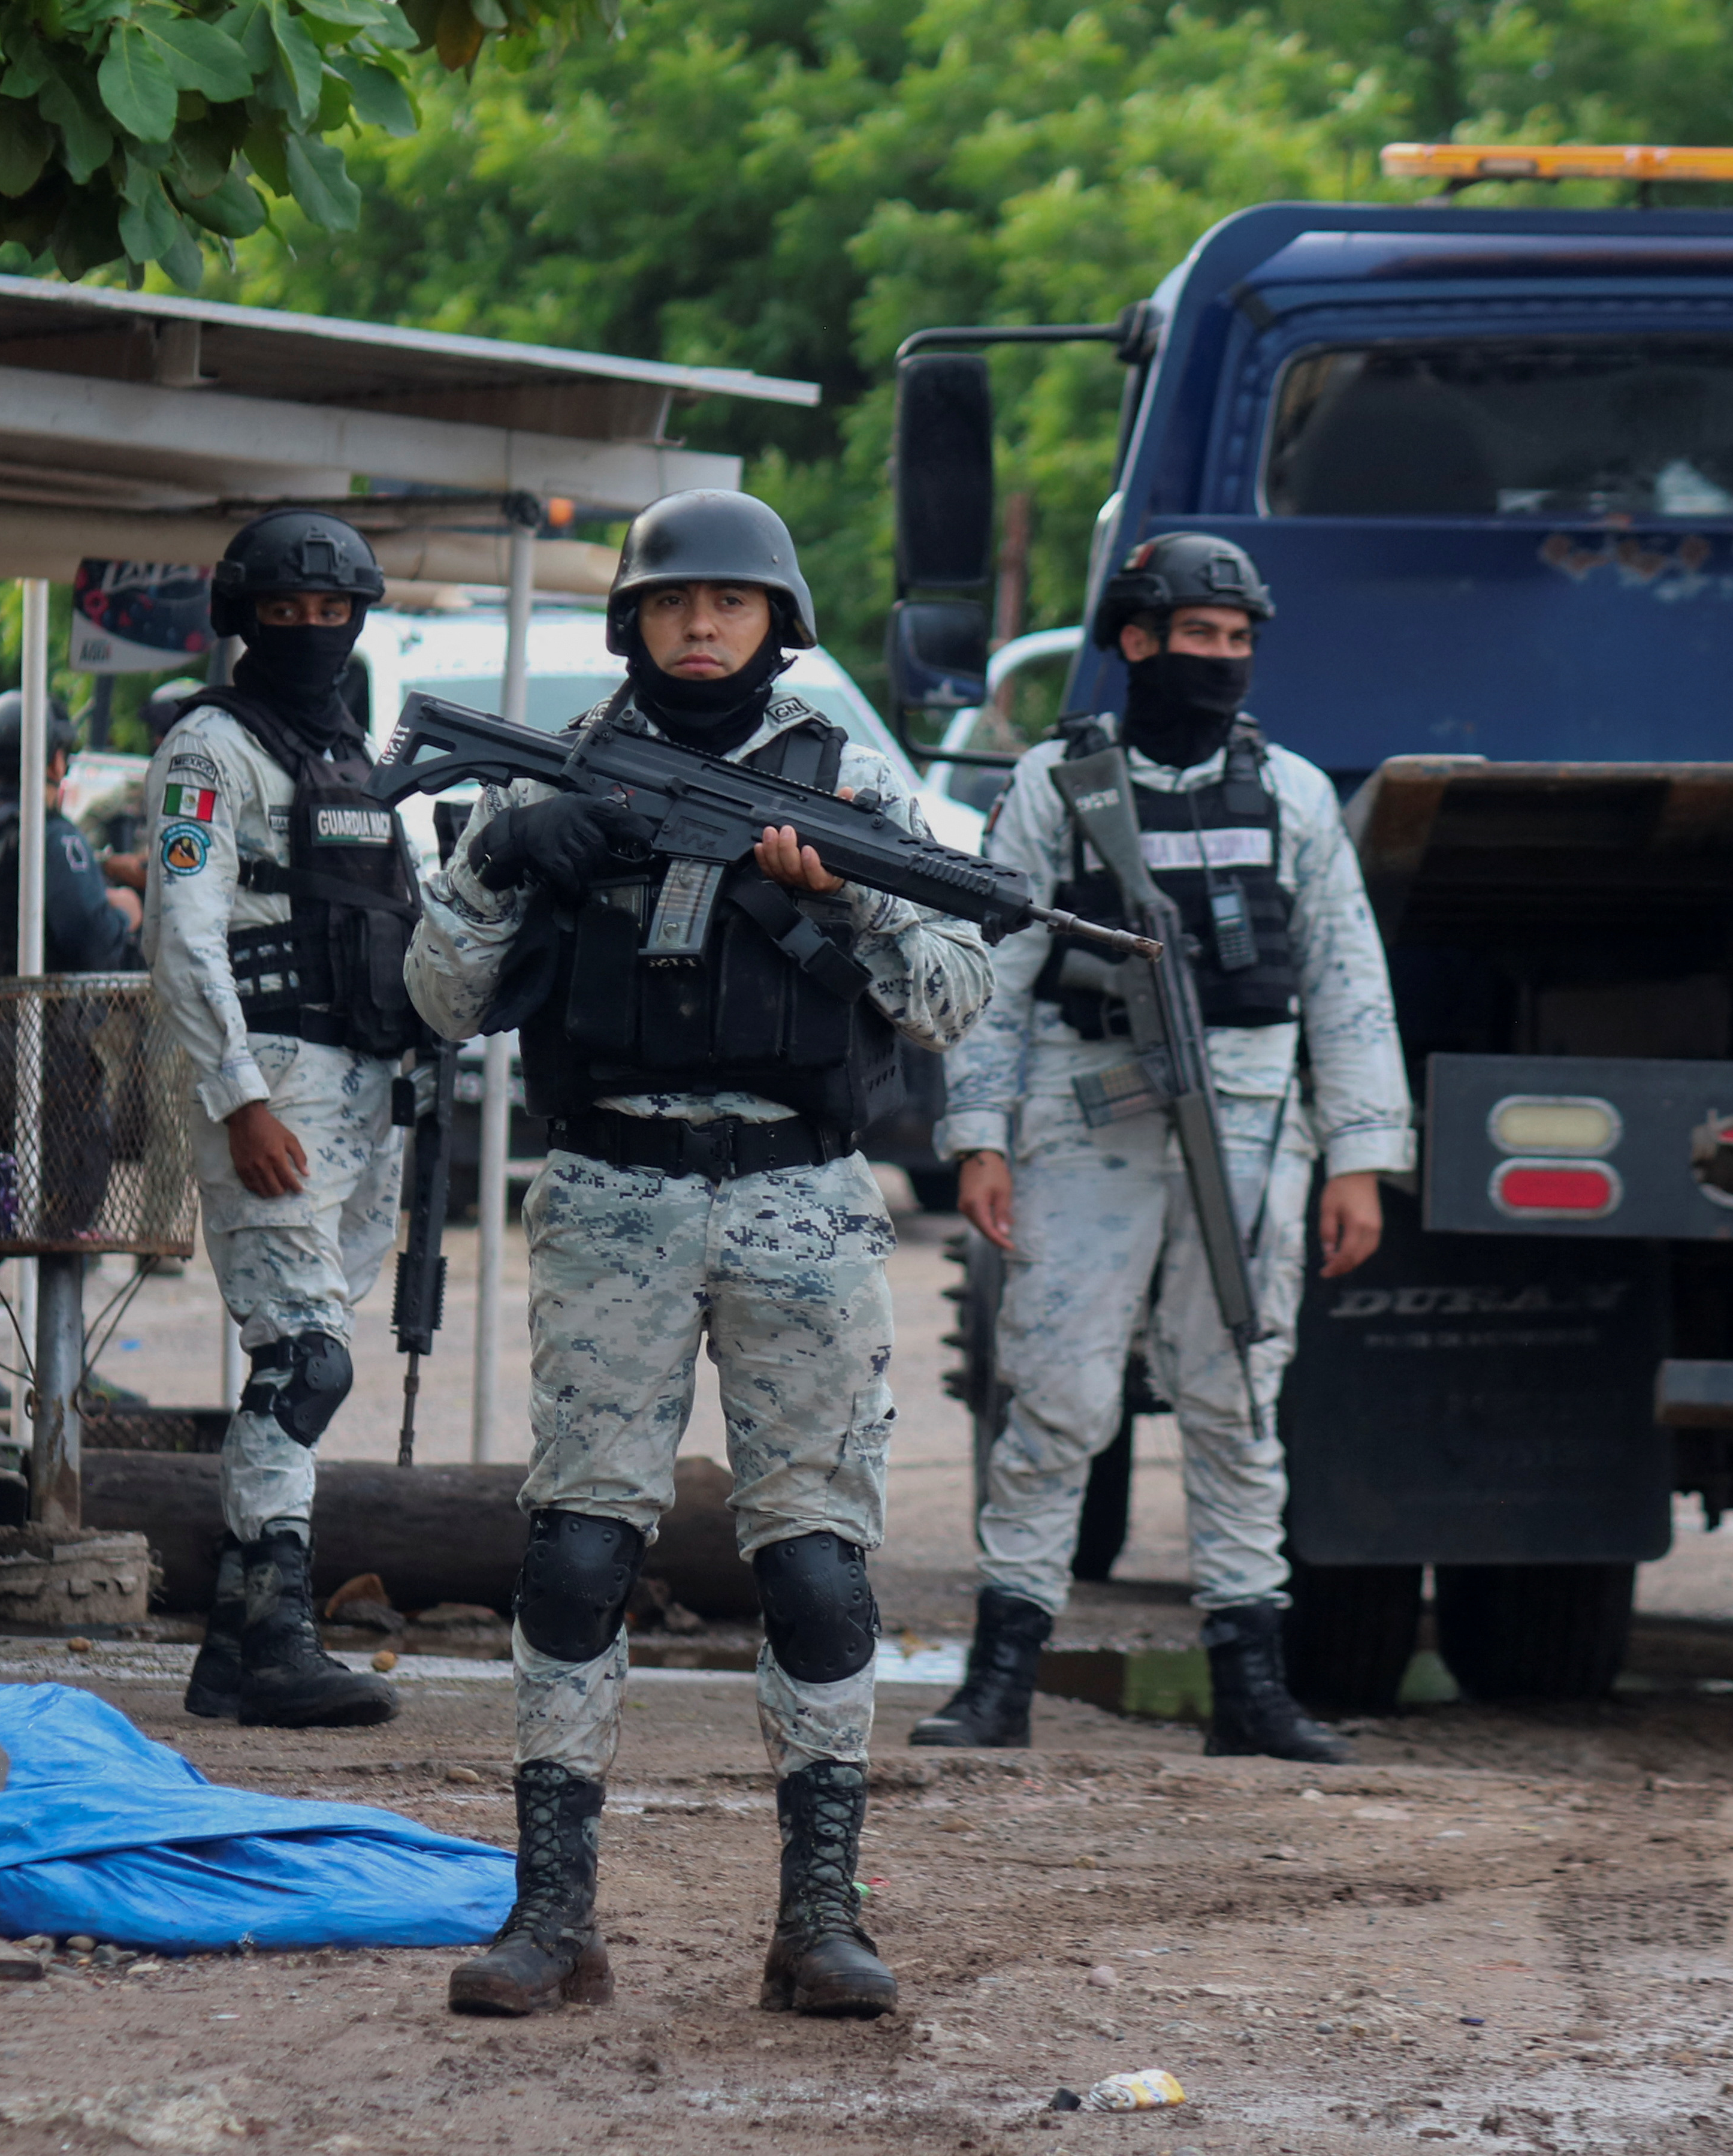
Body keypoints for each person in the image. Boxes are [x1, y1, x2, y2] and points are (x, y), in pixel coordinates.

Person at [404, 490, 991, 2021]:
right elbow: (441, 997)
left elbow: (950, 991)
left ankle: (818, 1916)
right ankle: (552, 1913)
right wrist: (505, 853)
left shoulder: (848, 775)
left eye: (731, 603)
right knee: (577, 1550)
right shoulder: (556, 770)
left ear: (775, 622)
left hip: (799, 1196)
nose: (702, 625)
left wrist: (843, 887)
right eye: (675, 603)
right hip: (609, 1189)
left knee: (811, 1567)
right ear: (634, 620)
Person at [910, 532, 1411, 1765]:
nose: (1223, 662)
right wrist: (978, 1136)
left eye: (1239, 642)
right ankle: (1001, 1675)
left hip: (1248, 1118)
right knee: (1055, 1393)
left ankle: (1250, 1683)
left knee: (1237, 1395)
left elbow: (1348, 985)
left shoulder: (1288, 791)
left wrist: (1358, 1154)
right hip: (1090, 1117)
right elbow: (998, 967)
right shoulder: (1057, 786)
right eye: (1200, 638)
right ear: (1136, 642)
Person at [152, 512, 419, 1731]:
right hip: (265, 1083)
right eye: (286, 614)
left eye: (334, 613)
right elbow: (184, 928)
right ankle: (275, 1639)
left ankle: (231, 1647)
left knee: (310, 1352)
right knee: (303, 1358)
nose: (313, 633)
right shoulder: (208, 750)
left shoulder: (355, 753)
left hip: (360, 1085)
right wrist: (239, 1096)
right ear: (243, 619)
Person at [0, 689, 144, 1413]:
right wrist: (125, 911)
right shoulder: (52, 835)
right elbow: (95, 944)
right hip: (49, 1055)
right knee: (67, 1204)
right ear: (53, 757)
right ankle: (62, 1375)